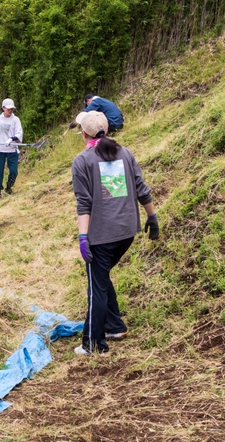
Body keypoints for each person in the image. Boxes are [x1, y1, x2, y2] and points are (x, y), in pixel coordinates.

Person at [71, 111, 159, 356]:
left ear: (84, 133)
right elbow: (142, 188)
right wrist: (152, 217)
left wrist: (83, 237)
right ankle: (114, 326)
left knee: (95, 286)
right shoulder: (125, 153)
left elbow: (84, 203)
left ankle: (93, 344)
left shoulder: (82, 160)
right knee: (101, 277)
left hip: (102, 235)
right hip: (127, 231)